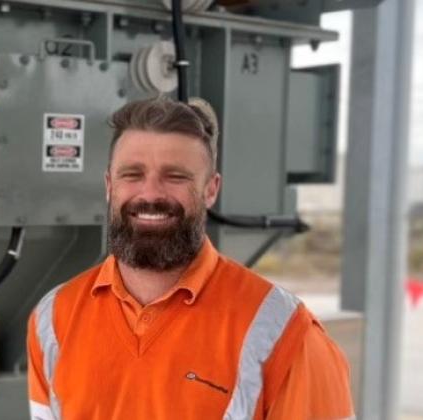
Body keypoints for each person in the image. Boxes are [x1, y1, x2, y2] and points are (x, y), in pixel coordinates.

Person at [27, 96, 354, 420]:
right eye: (132, 174)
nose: (151, 194)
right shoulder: (54, 319)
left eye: (176, 176)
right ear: (109, 185)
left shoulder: (285, 333)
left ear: (211, 189)